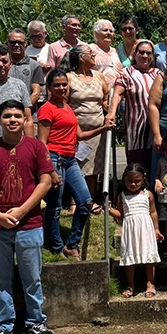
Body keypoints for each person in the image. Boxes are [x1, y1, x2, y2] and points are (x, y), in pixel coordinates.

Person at [0, 100, 56, 334]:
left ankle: (36, 321)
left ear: (25, 120)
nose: (12, 120)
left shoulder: (36, 147)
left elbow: (45, 182)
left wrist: (22, 210)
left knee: (32, 277)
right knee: (0, 278)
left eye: (18, 116)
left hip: (29, 224)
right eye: (7, 116)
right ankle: (3, 324)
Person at [37, 70, 112, 260]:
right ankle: (55, 246)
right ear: (49, 88)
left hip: (70, 160)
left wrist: (103, 128)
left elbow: (79, 135)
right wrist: (50, 171)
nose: (62, 88)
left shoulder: (67, 107)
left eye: (64, 84)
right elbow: (42, 143)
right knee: (54, 206)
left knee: (85, 202)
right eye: (57, 85)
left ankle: (72, 244)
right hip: (54, 158)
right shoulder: (47, 108)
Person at [64, 44, 111, 217]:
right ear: (82, 57)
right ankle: (74, 202)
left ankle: (89, 201)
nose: (94, 56)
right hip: (76, 129)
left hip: (98, 129)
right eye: (91, 54)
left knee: (92, 168)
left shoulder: (99, 76)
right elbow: (65, 102)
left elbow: (105, 99)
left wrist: (109, 114)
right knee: (75, 165)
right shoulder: (69, 78)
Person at [109, 164, 162, 298]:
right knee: (129, 256)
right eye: (129, 181)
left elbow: (153, 212)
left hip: (146, 228)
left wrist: (156, 229)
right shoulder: (122, 196)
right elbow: (120, 213)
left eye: (137, 181)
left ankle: (150, 284)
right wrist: (108, 210)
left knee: (149, 256)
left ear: (143, 179)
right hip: (130, 229)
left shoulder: (148, 194)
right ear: (124, 179)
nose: (133, 184)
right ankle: (130, 285)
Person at [108, 40, 160, 167]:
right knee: (136, 166)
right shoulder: (126, 72)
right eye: (141, 52)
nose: (145, 56)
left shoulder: (158, 74)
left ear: (153, 56)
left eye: (148, 53)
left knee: (155, 164)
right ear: (135, 54)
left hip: (156, 128)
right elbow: (117, 94)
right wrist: (112, 112)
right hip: (136, 128)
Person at [7, 29, 44, 112]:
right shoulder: (2, 65)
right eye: (13, 42)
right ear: (7, 44)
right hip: (5, 116)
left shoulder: (34, 65)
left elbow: (36, 93)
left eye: (20, 42)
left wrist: (21, 111)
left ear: (26, 45)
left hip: (29, 115)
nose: (16, 45)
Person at [90, 19, 124, 88]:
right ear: (96, 33)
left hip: (116, 93)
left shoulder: (116, 51)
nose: (108, 33)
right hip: (98, 91)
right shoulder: (90, 49)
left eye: (111, 31)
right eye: (105, 30)